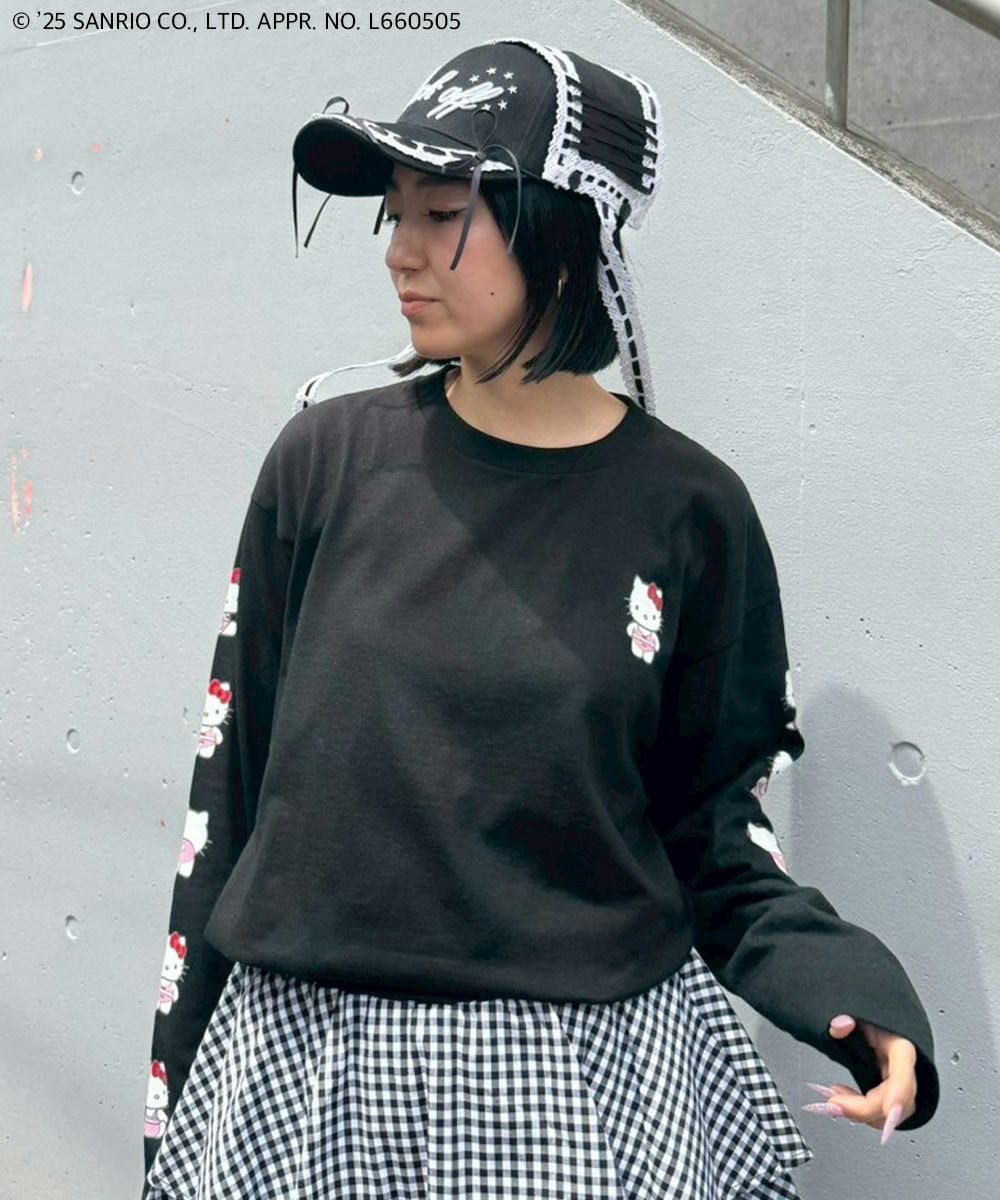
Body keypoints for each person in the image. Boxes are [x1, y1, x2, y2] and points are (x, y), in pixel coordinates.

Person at [141, 38, 940, 1199]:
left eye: (442, 214)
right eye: (395, 215)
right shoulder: (325, 462)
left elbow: (714, 825)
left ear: (563, 229)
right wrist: (175, 1103)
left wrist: (846, 993)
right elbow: (227, 799)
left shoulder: (689, 512)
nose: (401, 251)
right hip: (306, 1073)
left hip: (578, 1085)